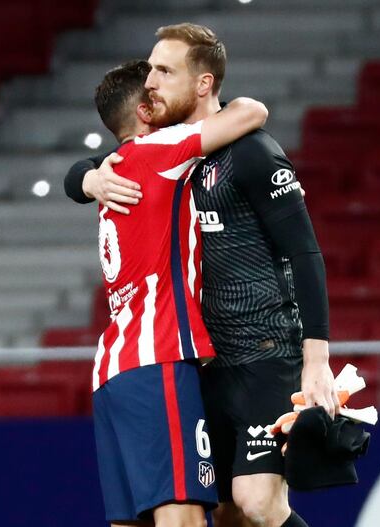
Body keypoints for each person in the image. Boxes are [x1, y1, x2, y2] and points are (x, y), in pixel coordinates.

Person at [64, 23, 337, 527]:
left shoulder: (251, 151)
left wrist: (315, 359)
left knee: (257, 503)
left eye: (164, 71)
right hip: (201, 362)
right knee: (228, 511)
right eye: (149, 71)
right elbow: (83, 168)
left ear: (204, 83)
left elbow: (304, 251)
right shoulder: (164, 151)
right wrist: (87, 177)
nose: (151, 81)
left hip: (262, 352)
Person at [87, 59, 268, 526]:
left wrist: (84, 177)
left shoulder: (113, 173)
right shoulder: (158, 151)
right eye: (159, 86)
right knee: (182, 517)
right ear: (147, 111)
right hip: (158, 361)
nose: (166, 92)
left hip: (112, 370)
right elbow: (251, 112)